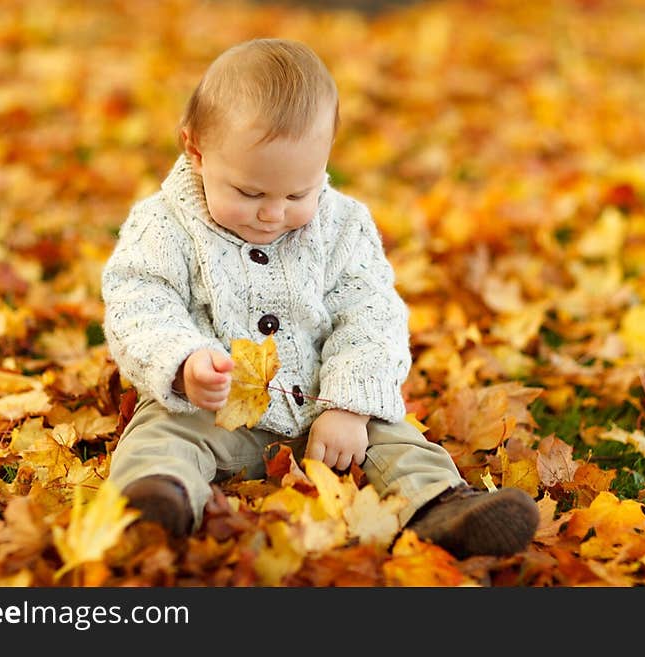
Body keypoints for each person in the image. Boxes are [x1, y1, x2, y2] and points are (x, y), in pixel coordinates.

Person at [101, 38, 539, 559]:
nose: (272, 213)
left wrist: (349, 404)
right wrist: (183, 363)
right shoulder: (164, 224)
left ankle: (442, 506)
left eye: (296, 195)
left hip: (323, 410)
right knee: (161, 435)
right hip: (210, 412)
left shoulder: (343, 226)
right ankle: (157, 501)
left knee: (395, 436)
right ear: (195, 150)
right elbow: (139, 301)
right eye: (249, 193)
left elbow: (370, 315)